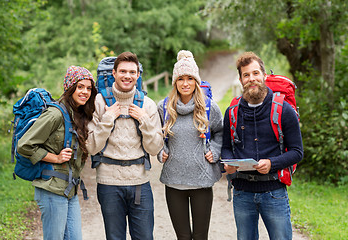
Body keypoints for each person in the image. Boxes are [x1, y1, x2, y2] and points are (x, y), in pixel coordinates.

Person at [221, 52, 303, 240]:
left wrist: (272, 163)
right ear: (241, 79)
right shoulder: (232, 112)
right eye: (246, 75)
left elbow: (297, 152)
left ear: (264, 76)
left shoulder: (284, 110)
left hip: (274, 191)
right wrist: (227, 163)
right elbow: (226, 147)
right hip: (242, 193)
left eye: (255, 73)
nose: (252, 79)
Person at [86, 51, 164, 240]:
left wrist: (144, 121)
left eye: (132, 72)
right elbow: (91, 147)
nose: (127, 76)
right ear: (114, 73)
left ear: (138, 75)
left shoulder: (147, 104)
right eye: (122, 71)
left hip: (139, 182)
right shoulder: (98, 102)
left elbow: (154, 149)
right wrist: (108, 119)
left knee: (145, 237)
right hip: (108, 183)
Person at [17, 66, 97, 240]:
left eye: (89, 88)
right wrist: (56, 157)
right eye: (80, 87)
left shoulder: (77, 114)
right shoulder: (55, 114)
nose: (85, 92)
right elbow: (24, 145)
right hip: (52, 189)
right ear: (70, 88)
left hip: (70, 190)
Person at [157, 50, 223, 240]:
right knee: (183, 237)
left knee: (201, 236)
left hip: (201, 181)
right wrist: (161, 151)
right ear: (175, 82)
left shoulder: (210, 107)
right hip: (173, 181)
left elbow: (220, 133)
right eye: (180, 79)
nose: (185, 83)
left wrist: (215, 151)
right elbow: (155, 137)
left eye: (190, 78)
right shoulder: (164, 108)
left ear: (196, 81)